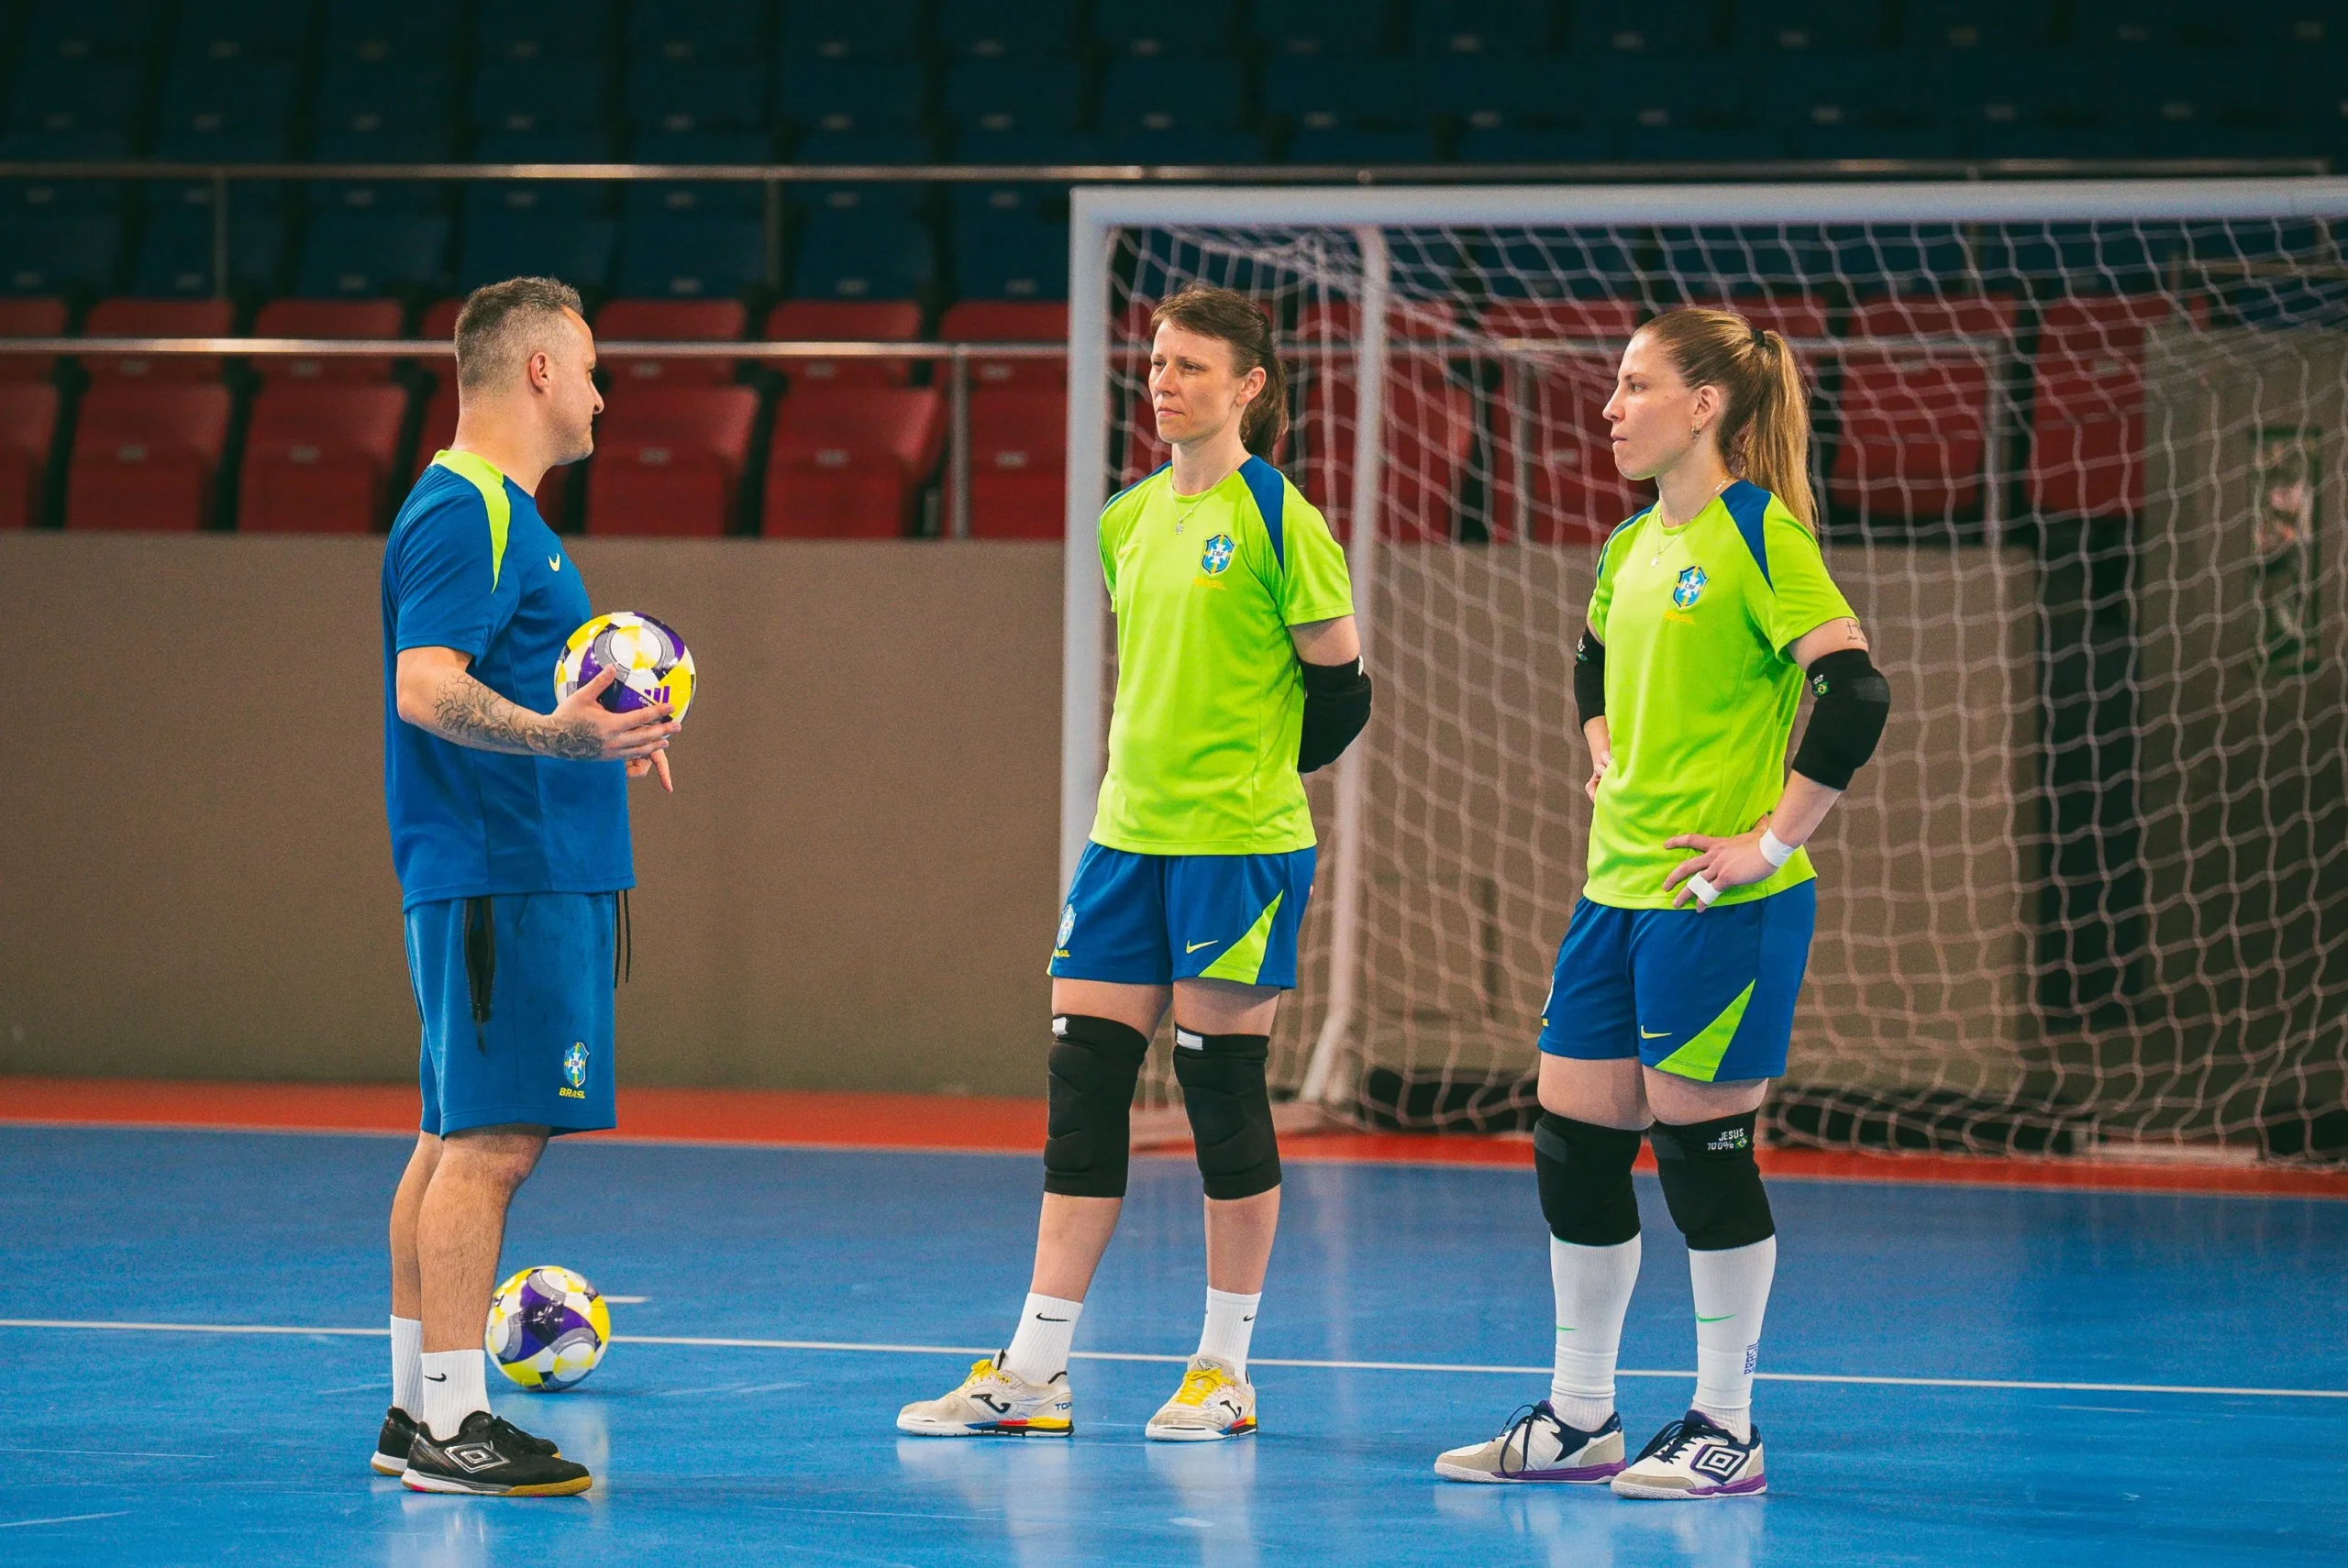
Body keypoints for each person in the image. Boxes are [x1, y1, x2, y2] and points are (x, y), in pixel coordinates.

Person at [898, 283, 1373, 1443]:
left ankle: (1223, 1369)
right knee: (1082, 1096)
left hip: (1238, 854)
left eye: (1192, 366)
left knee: (1220, 1097)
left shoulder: (1280, 518)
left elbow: (1342, 693)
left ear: (1249, 387)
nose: (1164, 381)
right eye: (1157, 362)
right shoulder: (1125, 520)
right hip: (1123, 845)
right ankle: (1035, 1371)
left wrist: (1248, 786)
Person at [1434, 307, 1891, 1496]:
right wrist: (1599, 740)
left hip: (1713, 901)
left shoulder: (1760, 536)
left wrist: (1769, 840)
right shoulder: (1631, 542)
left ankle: (1726, 1428)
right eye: (1613, 385)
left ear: (1707, 408)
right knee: (1574, 1144)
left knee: (1701, 1154)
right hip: (1613, 889)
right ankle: (1582, 1417)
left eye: (1635, 386)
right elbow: (1591, 655)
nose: (1610, 407)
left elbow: (1853, 693)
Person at [371, 277, 679, 1496]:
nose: (603, 395)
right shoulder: (465, 511)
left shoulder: (501, 514)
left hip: (515, 872)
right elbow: (425, 684)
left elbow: (506, 686)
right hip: (508, 875)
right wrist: (565, 739)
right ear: (540, 369)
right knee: (491, 1147)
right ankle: (456, 1418)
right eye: (592, 367)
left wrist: (601, 731)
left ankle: (414, 1409)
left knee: (454, 1137)